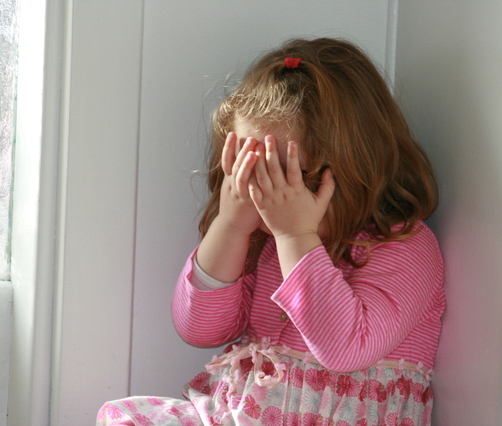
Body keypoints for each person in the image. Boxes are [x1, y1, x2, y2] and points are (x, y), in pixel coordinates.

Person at [97, 37, 445, 426]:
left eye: (288, 177)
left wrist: (297, 237)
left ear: (357, 164)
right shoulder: (265, 246)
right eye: (253, 173)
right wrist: (230, 226)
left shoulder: (403, 246)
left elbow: (347, 348)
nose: (266, 196)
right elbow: (199, 328)